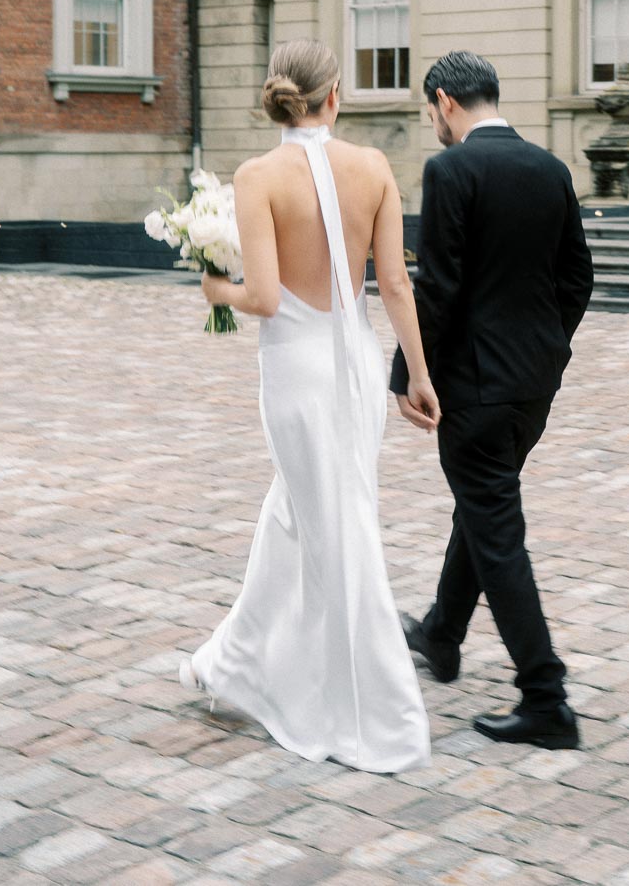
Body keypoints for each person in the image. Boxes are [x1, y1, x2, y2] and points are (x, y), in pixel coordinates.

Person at [180, 39, 439, 773]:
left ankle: (374, 708)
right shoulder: (376, 168)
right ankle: (234, 661)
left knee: (334, 522)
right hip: (356, 365)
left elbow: (260, 296)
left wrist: (214, 291)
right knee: (304, 513)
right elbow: (393, 284)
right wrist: (417, 374)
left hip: (295, 370)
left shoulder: (259, 175)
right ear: (335, 99)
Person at [392, 51, 593, 750]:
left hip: (473, 386)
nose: (433, 125)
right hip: (533, 384)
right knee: (486, 503)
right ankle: (442, 634)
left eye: (429, 112)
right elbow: (577, 279)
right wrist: (546, 348)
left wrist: (406, 375)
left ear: (445, 101)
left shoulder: (451, 170)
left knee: (496, 532)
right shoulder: (551, 169)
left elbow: (437, 286)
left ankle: (547, 699)